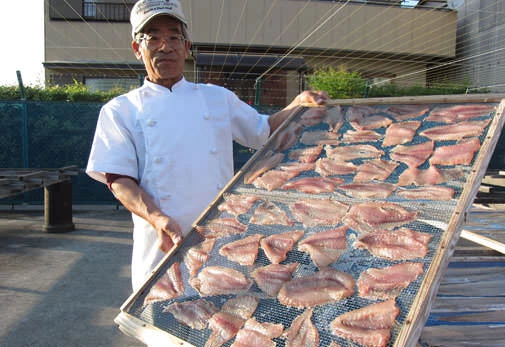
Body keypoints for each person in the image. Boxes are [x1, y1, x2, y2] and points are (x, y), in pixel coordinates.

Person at [86, 0, 328, 292]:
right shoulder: (120, 110)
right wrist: (157, 217)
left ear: (187, 47)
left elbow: (263, 131)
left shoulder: (217, 97)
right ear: (138, 49)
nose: (166, 46)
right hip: (162, 247)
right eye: (153, 38)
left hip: (223, 243)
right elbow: (118, 179)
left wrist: (296, 104)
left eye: (174, 37)